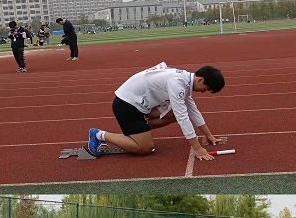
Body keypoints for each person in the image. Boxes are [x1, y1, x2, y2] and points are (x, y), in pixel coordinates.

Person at [86, 62, 224, 159]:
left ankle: (139, 130)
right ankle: (98, 135)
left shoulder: (185, 80)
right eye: (206, 89)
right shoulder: (177, 83)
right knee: (145, 148)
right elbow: (182, 117)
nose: (203, 92)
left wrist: (209, 135)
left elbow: (193, 110)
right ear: (200, 80)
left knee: (175, 113)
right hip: (126, 105)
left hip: (139, 105)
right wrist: (197, 148)